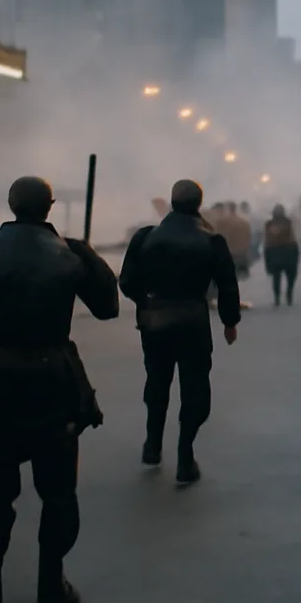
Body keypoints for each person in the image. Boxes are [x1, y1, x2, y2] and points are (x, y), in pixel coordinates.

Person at [0, 176, 118, 603]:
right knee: (58, 494)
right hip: (52, 387)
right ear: (50, 207)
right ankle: (49, 587)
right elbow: (108, 306)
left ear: (9, 204)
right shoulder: (67, 256)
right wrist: (85, 253)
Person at [120, 180, 241, 483]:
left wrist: (145, 303)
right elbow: (227, 283)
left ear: (172, 203)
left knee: (157, 380)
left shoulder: (145, 237)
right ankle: (185, 456)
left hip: (155, 321)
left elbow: (126, 282)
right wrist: (230, 321)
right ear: (198, 204)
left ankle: (152, 444)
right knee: (194, 387)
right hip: (192, 321)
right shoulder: (211, 240)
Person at [263, 204, 299, 306]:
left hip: (274, 251)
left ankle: (277, 298)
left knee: (276, 277)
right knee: (290, 276)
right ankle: (289, 293)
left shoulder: (269, 224)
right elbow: (293, 238)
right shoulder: (288, 222)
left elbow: (267, 241)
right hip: (288, 251)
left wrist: (267, 257)